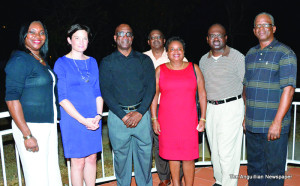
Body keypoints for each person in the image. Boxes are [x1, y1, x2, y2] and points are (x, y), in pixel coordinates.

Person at [5, 20, 62, 186]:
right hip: (31, 127)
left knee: (51, 174)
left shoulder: (40, 60)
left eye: (42, 32)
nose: (38, 36)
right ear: (24, 35)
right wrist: (27, 134)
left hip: (48, 126)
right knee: (37, 179)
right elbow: (11, 99)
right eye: (32, 32)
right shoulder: (19, 60)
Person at [243, 12, 297, 186]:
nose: (261, 28)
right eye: (258, 25)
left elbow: (288, 91)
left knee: (274, 171)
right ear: (254, 30)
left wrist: (277, 122)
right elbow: (247, 88)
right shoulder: (250, 53)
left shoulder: (285, 53)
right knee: (254, 169)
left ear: (273, 28)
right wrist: (246, 116)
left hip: (273, 126)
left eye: (265, 25)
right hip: (252, 125)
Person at [99, 23, 155, 186]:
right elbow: (106, 91)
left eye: (128, 34)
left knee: (145, 157)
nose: (125, 37)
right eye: (121, 34)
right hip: (118, 116)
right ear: (115, 38)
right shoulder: (107, 62)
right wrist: (123, 115)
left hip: (142, 114)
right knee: (121, 158)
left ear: (132, 38)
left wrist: (140, 112)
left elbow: (150, 88)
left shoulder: (144, 60)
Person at [151, 36, 206, 186]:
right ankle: (176, 184)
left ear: (183, 51)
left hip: (189, 120)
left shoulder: (194, 68)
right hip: (167, 121)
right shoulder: (160, 70)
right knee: (172, 156)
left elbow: (202, 94)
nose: (176, 52)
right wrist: (154, 119)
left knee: (189, 157)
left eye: (179, 49)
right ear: (167, 53)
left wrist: (203, 119)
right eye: (172, 49)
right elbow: (154, 96)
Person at [54, 24, 103, 186]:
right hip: (73, 120)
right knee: (78, 163)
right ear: (69, 40)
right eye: (77, 38)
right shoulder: (61, 63)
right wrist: (84, 121)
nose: (81, 42)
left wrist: (98, 115)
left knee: (92, 158)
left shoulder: (93, 62)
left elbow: (97, 92)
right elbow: (62, 98)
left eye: (85, 38)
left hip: (94, 118)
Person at [199, 23, 245, 186]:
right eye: (212, 36)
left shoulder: (237, 57)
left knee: (227, 151)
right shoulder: (204, 60)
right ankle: (219, 180)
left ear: (226, 38)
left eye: (219, 35)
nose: (216, 38)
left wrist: (246, 114)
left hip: (231, 106)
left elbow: (246, 85)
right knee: (215, 148)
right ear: (207, 39)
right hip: (212, 108)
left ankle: (229, 183)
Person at [143, 29, 187, 186]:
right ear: (148, 41)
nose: (155, 40)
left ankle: (179, 177)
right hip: (152, 105)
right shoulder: (143, 58)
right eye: (152, 37)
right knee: (159, 141)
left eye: (158, 37)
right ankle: (164, 177)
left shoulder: (175, 54)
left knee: (178, 142)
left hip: (175, 106)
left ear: (163, 40)